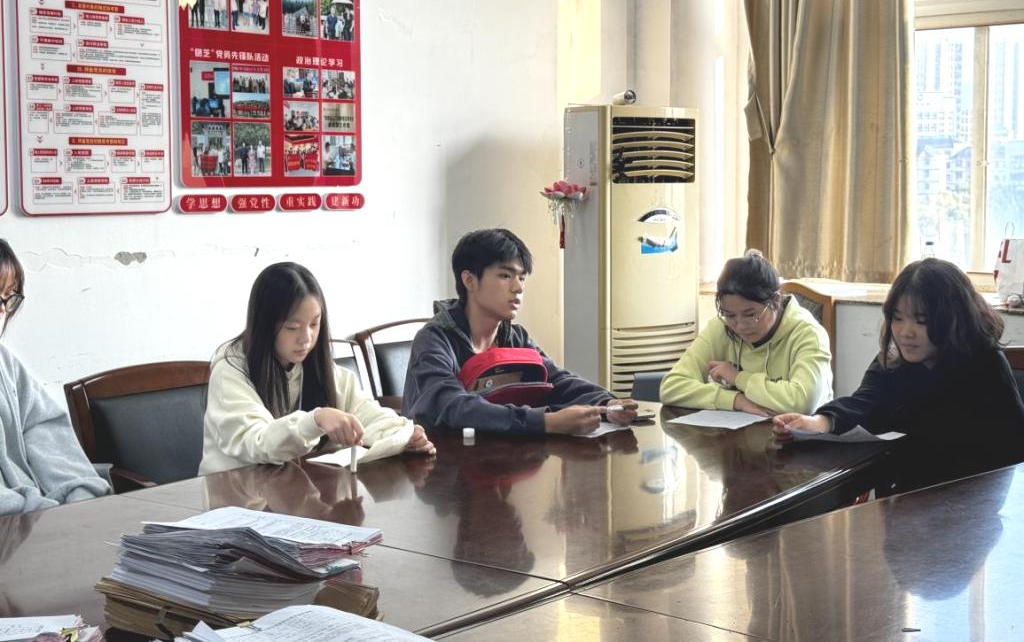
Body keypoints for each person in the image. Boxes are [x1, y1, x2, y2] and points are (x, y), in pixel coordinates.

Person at [773, 258, 1024, 493]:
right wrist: (818, 423)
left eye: (921, 320)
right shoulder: (894, 358)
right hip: (907, 498)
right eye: (897, 318)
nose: (905, 332)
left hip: (971, 501)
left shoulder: (985, 365)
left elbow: (1010, 452)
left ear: (953, 319)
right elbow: (865, 403)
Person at [200, 262, 435, 474]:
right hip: (236, 496)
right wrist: (315, 420)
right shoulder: (231, 370)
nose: (306, 338)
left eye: (314, 324)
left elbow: (364, 412)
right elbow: (257, 442)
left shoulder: (317, 365)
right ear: (264, 325)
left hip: (294, 492)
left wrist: (402, 434)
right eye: (292, 327)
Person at [403, 228, 638, 435]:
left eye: (522, 278)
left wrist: (607, 403)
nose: (518, 288)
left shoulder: (515, 337)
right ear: (469, 280)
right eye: (505, 276)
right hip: (442, 463)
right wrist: (545, 422)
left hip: (502, 459)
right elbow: (452, 406)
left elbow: (556, 380)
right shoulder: (434, 340)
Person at [0, 239, 110, 515]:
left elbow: (43, 427)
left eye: (8, 296)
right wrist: (45, 514)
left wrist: (79, 497)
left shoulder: (5, 362)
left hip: (37, 521)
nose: (3, 309)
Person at [660, 250, 833, 415]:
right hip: (739, 432)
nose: (740, 326)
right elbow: (671, 387)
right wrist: (735, 400)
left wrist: (738, 378)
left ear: (775, 301)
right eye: (730, 315)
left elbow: (803, 401)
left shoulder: (808, 333)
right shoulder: (721, 328)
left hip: (802, 434)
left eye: (750, 315)